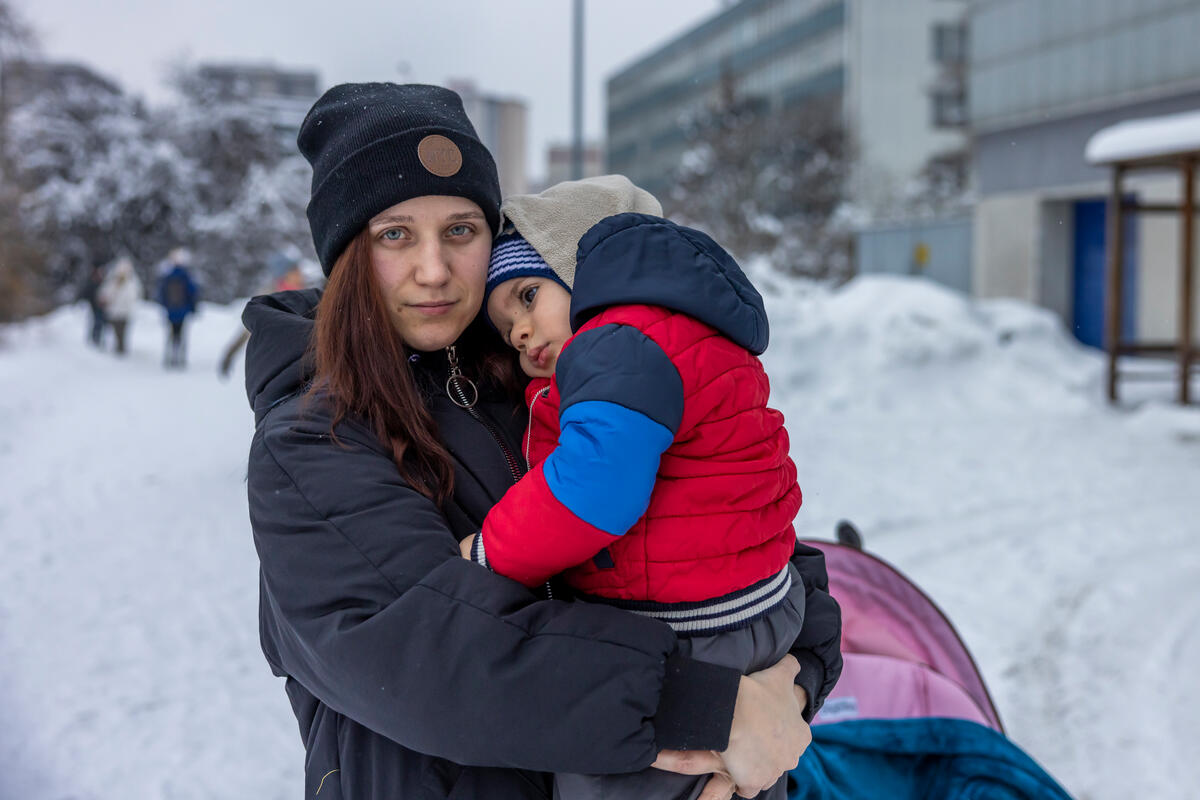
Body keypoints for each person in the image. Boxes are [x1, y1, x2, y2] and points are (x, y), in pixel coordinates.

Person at [242, 82, 842, 800]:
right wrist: (713, 710)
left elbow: (746, 529)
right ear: (346, 257)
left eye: (461, 230)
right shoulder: (312, 436)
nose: (433, 270)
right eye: (394, 234)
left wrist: (792, 687)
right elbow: (434, 658)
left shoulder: (542, 376)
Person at [470, 175, 806, 800]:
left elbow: (592, 491)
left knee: (606, 776)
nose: (518, 331)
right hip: (757, 610)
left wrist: (489, 553)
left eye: (526, 295)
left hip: (689, 631)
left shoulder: (618, 345)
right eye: (504, 325)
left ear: (581, 265)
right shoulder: (690, 333)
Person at [156, 248, 199, 368]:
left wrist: (165, 306)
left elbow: (161, 293)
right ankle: (181, 358)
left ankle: (169, 357)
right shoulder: (186, 276)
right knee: (181, 335)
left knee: (170, 334)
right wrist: (192, 308)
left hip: (170, 311)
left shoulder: (168, 276)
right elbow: (193, 292)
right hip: (183, 311)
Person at [98, 256, 142, 356]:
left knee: (122, 332)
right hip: (114, 312)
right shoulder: (112, 282)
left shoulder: (131, 283)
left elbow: (134, 297)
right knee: (116, 331)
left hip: (125, 313)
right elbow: (105, 294)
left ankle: (121, 349)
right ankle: (118, 349)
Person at [77, 264, 108, 347]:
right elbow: (87, 294)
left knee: (102, 324)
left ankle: (99, 339)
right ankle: (94, 339)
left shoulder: (103, 283)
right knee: (96, 323)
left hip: (102, 307)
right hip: (94, 307)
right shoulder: (92, 283)